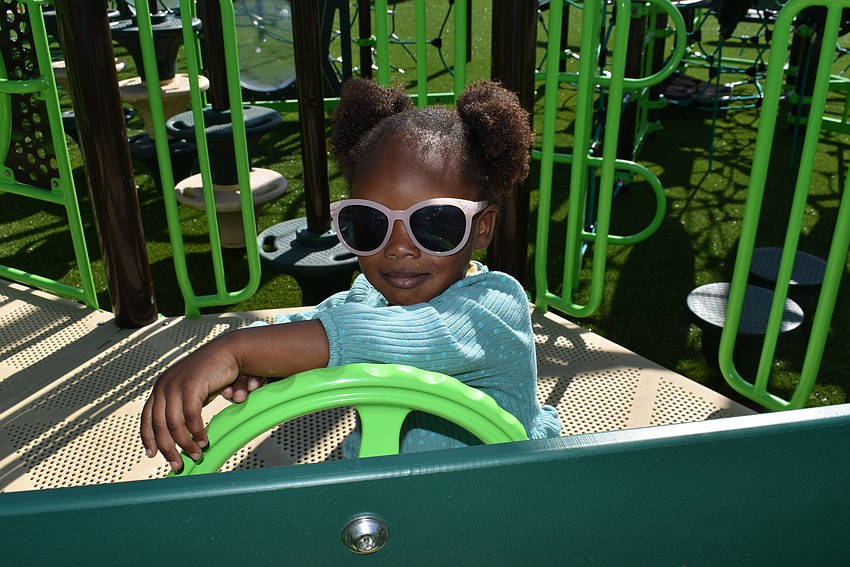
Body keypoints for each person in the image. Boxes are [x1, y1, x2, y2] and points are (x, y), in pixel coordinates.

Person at [140, 79, 562, 470]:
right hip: (383, 487)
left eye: (434, 223)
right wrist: (261, 362)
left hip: (489, 505)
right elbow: (319, 324)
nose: (398, 247)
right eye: (371, 222)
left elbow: (384, 335)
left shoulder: (494, 308)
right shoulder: (370, 296)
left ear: (482, 226)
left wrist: (235, 350)